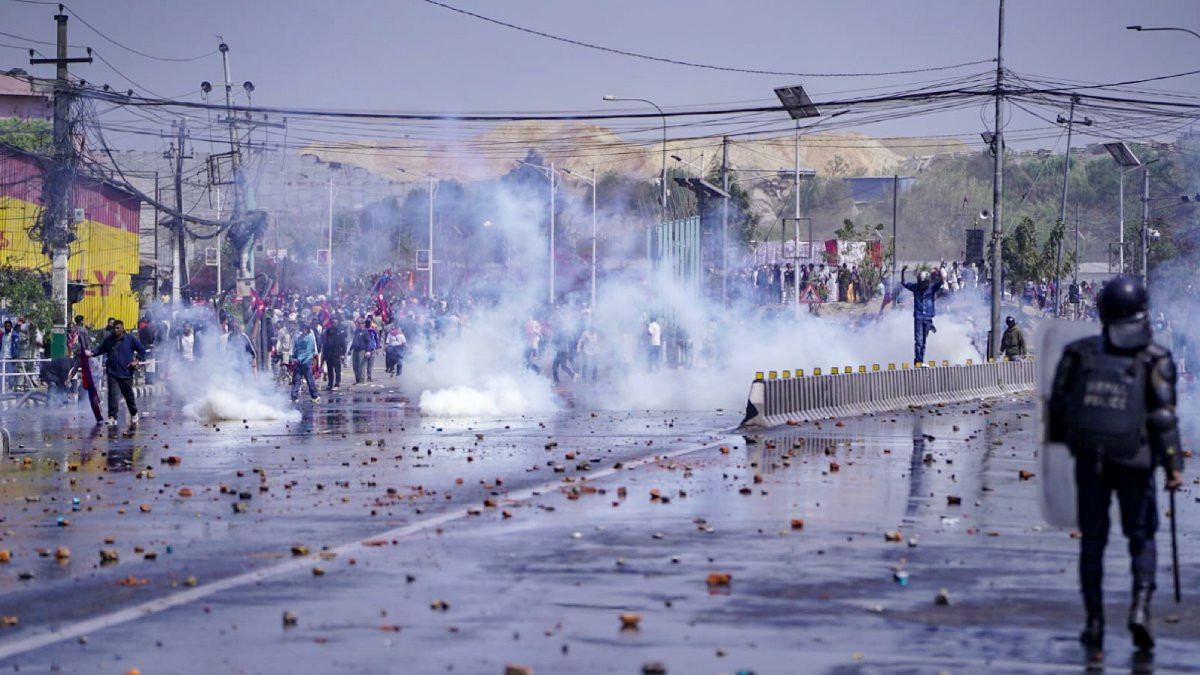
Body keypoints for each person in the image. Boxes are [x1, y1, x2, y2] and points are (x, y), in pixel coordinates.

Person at [1048, 276, 1185, 655]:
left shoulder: (1078, 354)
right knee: (1141, 537)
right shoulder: (1155, 358)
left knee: (1093, 542)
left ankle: (1094, 623)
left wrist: (1075, 445)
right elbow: (1163, 418)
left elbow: (1057, 409)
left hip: (1090, 460)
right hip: (1136, 461)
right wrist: (1173, 465)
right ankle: (1140, 608)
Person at [87, 319, 147, 426]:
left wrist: (136, 360)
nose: (115, 330)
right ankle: (112, 416)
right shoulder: (109, 340)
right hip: (112, 371)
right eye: (114, 328)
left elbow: (142, 349)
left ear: (123, 328)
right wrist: (92, 353)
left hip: (126, 371)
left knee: (128, 394)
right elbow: (101, 349)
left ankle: (134, 413)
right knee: (112, 394)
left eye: (118, 328)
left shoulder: (130, 339)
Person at [900, 266, 943, 366]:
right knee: (918, 341)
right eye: (921, 283)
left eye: (924, 283)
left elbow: (942, 282)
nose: (922, 286)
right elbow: (903, 283)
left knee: (923, 342)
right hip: (918, 317)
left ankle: (921, 360)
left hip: (928, 317)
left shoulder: (932, 287)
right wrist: (902, 272)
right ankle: (918, 361)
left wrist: (939, 272)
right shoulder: (915, 287)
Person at [290, 323, 320, 403]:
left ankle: (315, 396)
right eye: (302, 328)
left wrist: (299, 358)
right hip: (299, 362)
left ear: (308, 329)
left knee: (309, 380)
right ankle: (294, 397)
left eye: (305, 328)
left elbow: (308, 351)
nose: (303, 329)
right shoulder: (299, 338)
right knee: (296, 379)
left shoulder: (310, 338)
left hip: (307, 361)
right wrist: (293, 357)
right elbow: (297, 349)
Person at [322, 319, 346, 390]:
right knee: (330, 370)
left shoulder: (339, 332)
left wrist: (343, 354)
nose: (335, 324)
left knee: (337, 370)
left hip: (336, 354)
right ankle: (330, 384)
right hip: (328, 354)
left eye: (336, 322)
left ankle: (337, 384)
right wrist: (324, 354)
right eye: (333, 323)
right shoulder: (328, 331)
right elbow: (325, 343)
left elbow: (343, 344)